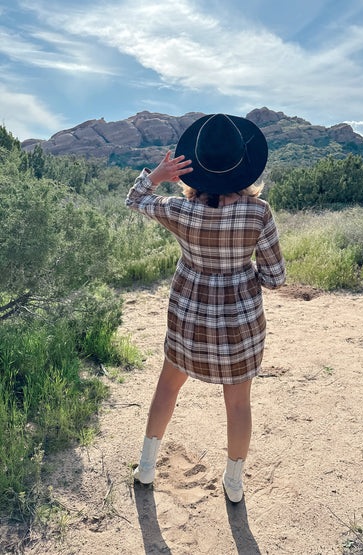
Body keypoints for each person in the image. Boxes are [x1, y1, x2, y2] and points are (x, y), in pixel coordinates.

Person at [126, 113, 285, 503]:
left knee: (167, 387)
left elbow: (135, 199)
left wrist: (160, 174)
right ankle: (233, 485)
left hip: (188, 320)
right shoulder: (258, 213)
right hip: (240, 327)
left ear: (193, 167)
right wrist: (243, 271)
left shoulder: (180, 211)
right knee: (238, 403)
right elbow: (275, 278)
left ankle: (146, 469)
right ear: (243, 166)